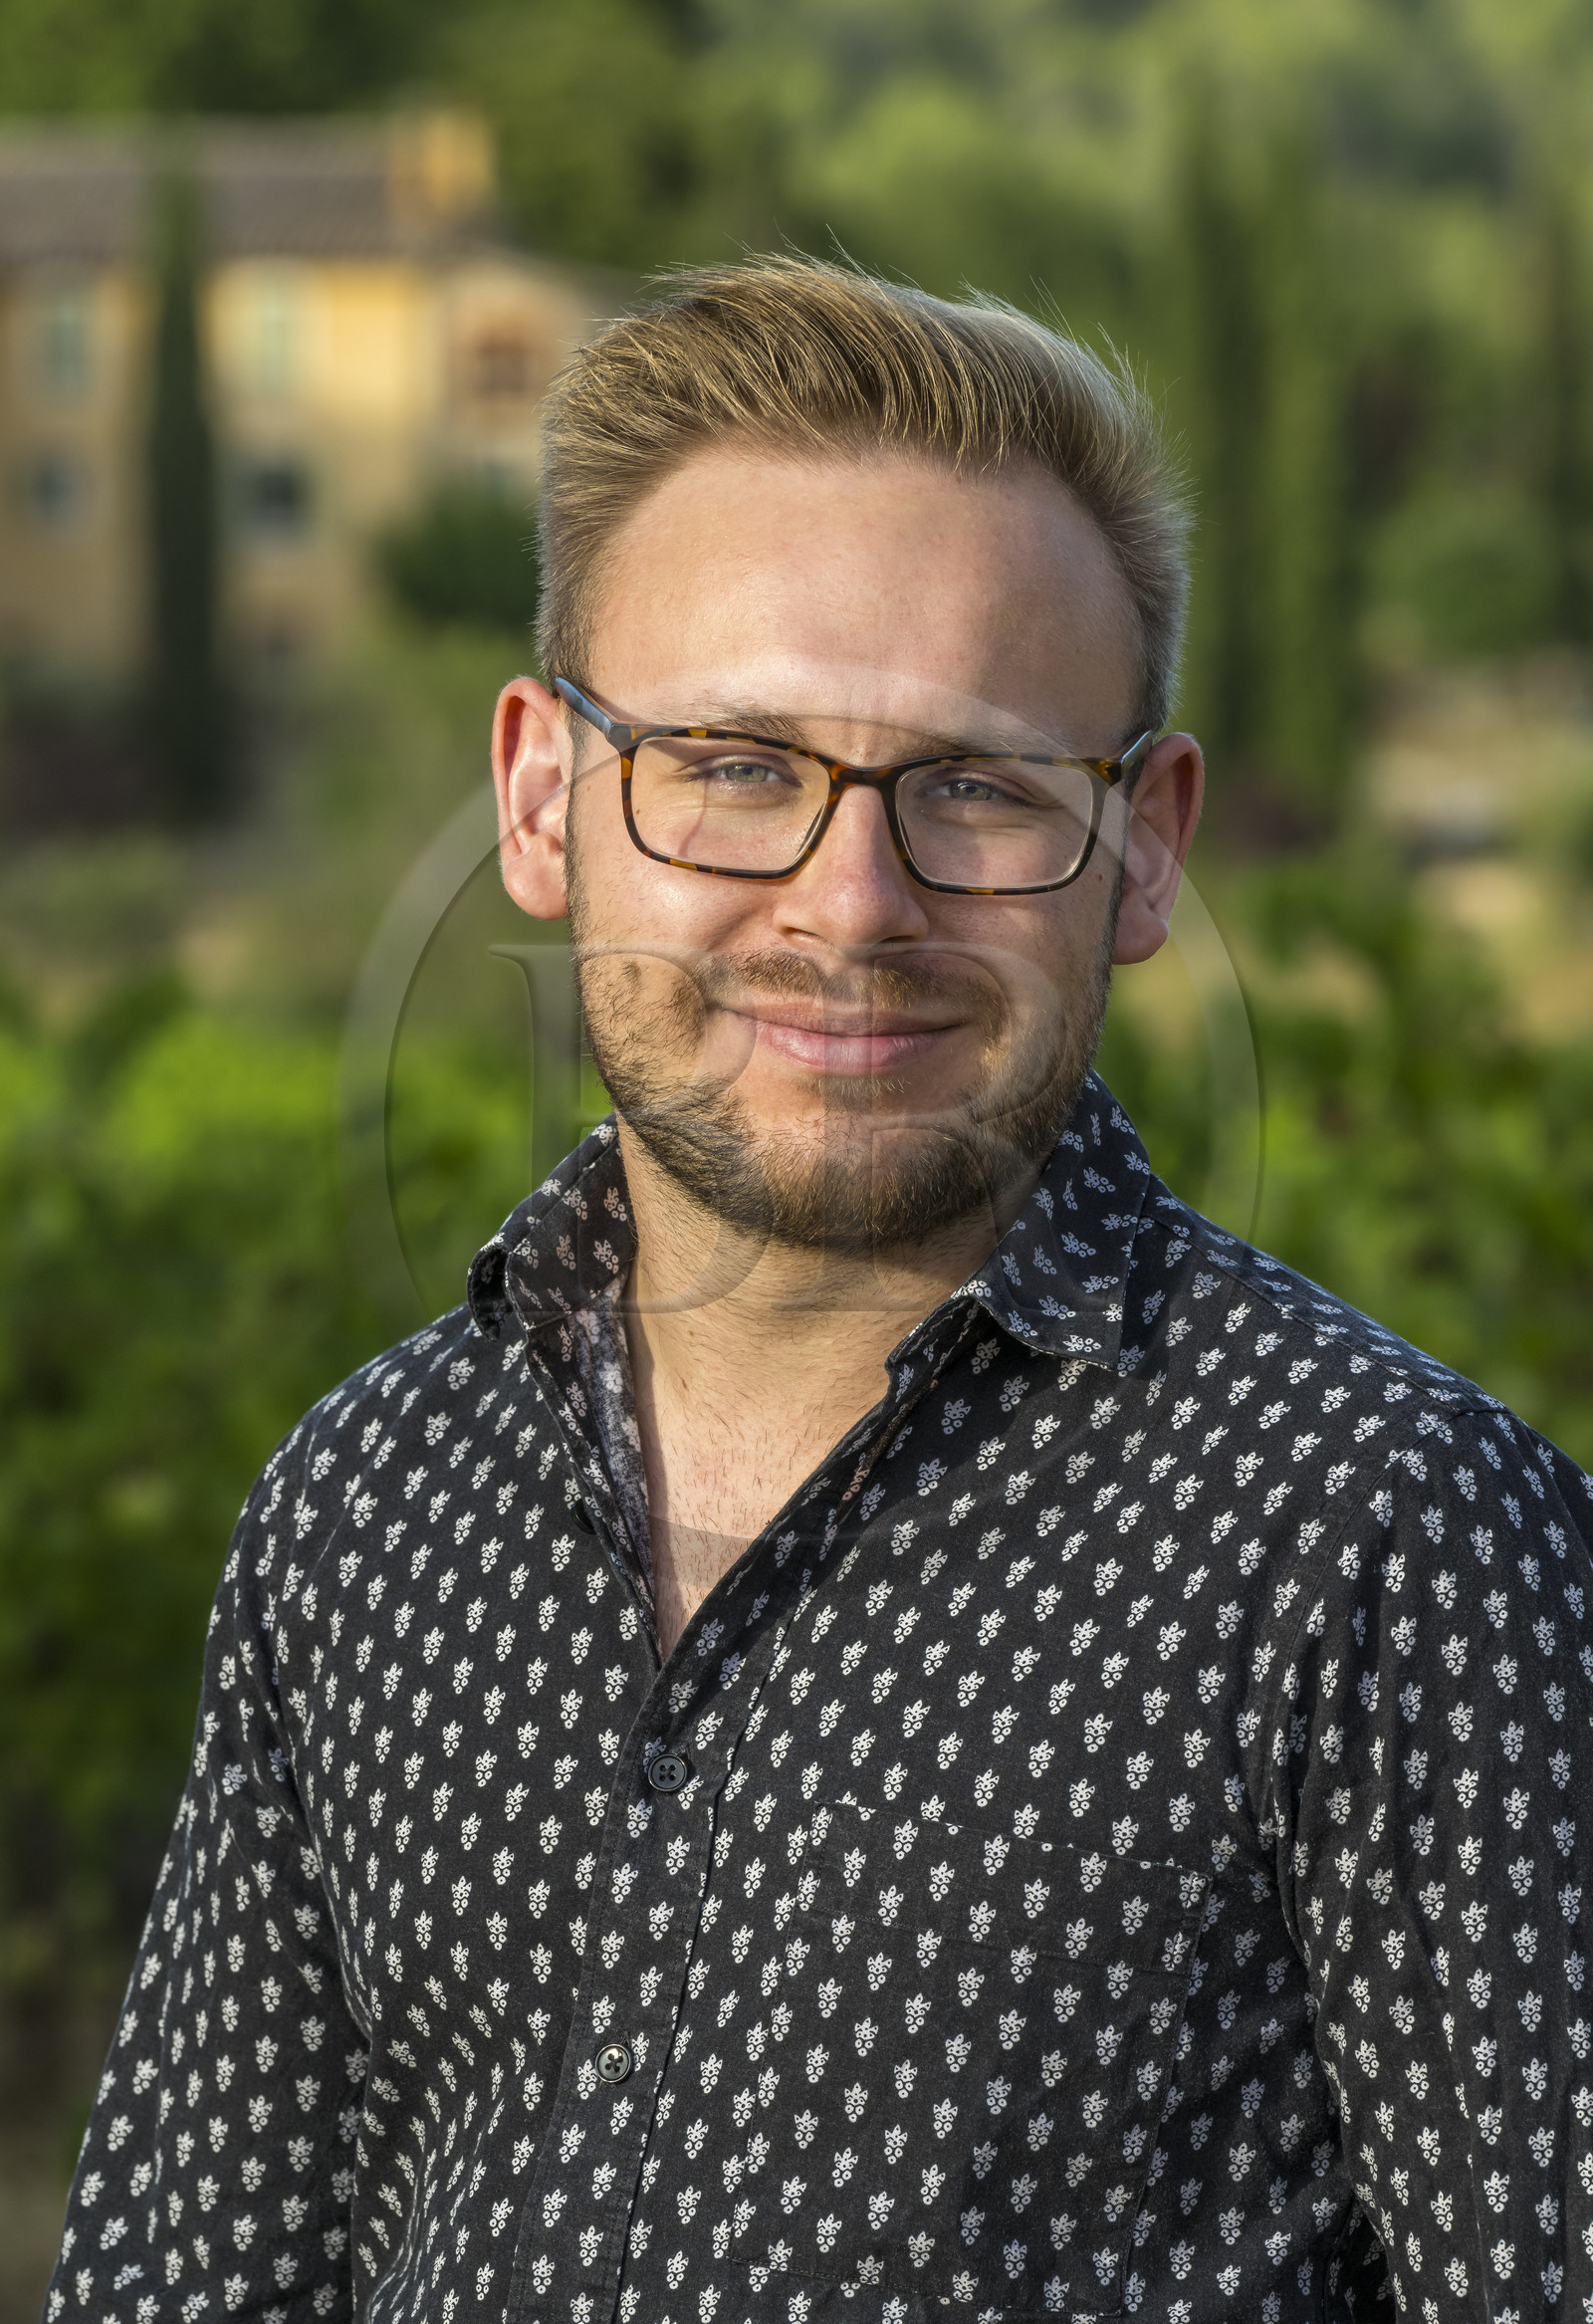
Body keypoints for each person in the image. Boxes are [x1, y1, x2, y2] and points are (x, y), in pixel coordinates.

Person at [46, 257, 1593, 2324]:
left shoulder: (1382, 1535)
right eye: (730, 763)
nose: (848, 905)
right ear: (537, 796)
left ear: (1139, 849)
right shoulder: (362, 1508)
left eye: (975, 786)